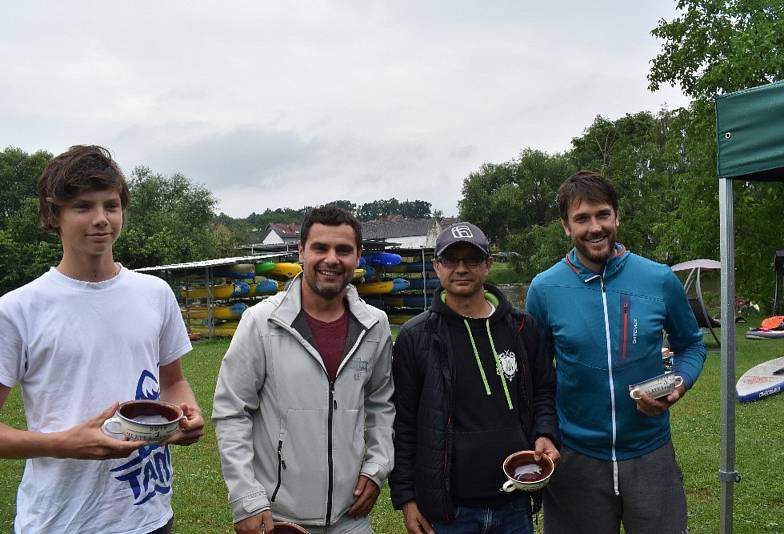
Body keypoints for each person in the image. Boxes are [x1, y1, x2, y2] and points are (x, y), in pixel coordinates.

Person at [0, 145, 205, 534]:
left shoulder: (155, 293)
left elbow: (173, 380)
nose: (101, 219)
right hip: (62, 521)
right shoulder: (18, 309)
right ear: (53, 215)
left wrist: (187, 414)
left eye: (111, 205)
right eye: (82, 206)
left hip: (149, 516)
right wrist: (65, 443)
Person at [526, 171, 706, 533]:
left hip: (650, 452)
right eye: (582, 218)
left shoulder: (658, 279)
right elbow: (537, 375)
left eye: (603, 214)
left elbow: (691, 345)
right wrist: (543, 430)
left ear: (616, 216)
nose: (595, 227)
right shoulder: (544, 289)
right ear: (566, 226)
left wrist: (680, 383)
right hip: (576, 458)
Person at [212, 206, 394, 534]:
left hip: (350, 519)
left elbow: (381, 404)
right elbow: (231, 412)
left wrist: (377, 467)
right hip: (280, 518)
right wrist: (246, 498)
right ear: (301, 251)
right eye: (320, 248)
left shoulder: (375, 325)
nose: (331, 259)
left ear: (358, 256)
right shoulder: (261, 322)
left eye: (343, 250)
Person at [389, 222, 560, 534]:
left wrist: (545, 431)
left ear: (488, 264)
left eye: (472, 260)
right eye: (451, 260)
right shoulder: (416, 337)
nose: (461, 269)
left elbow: (545, 391)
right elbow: (404, 423)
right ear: (437, 266)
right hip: (450, 511)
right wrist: (406, 497)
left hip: (515, 500)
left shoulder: (522, 328)